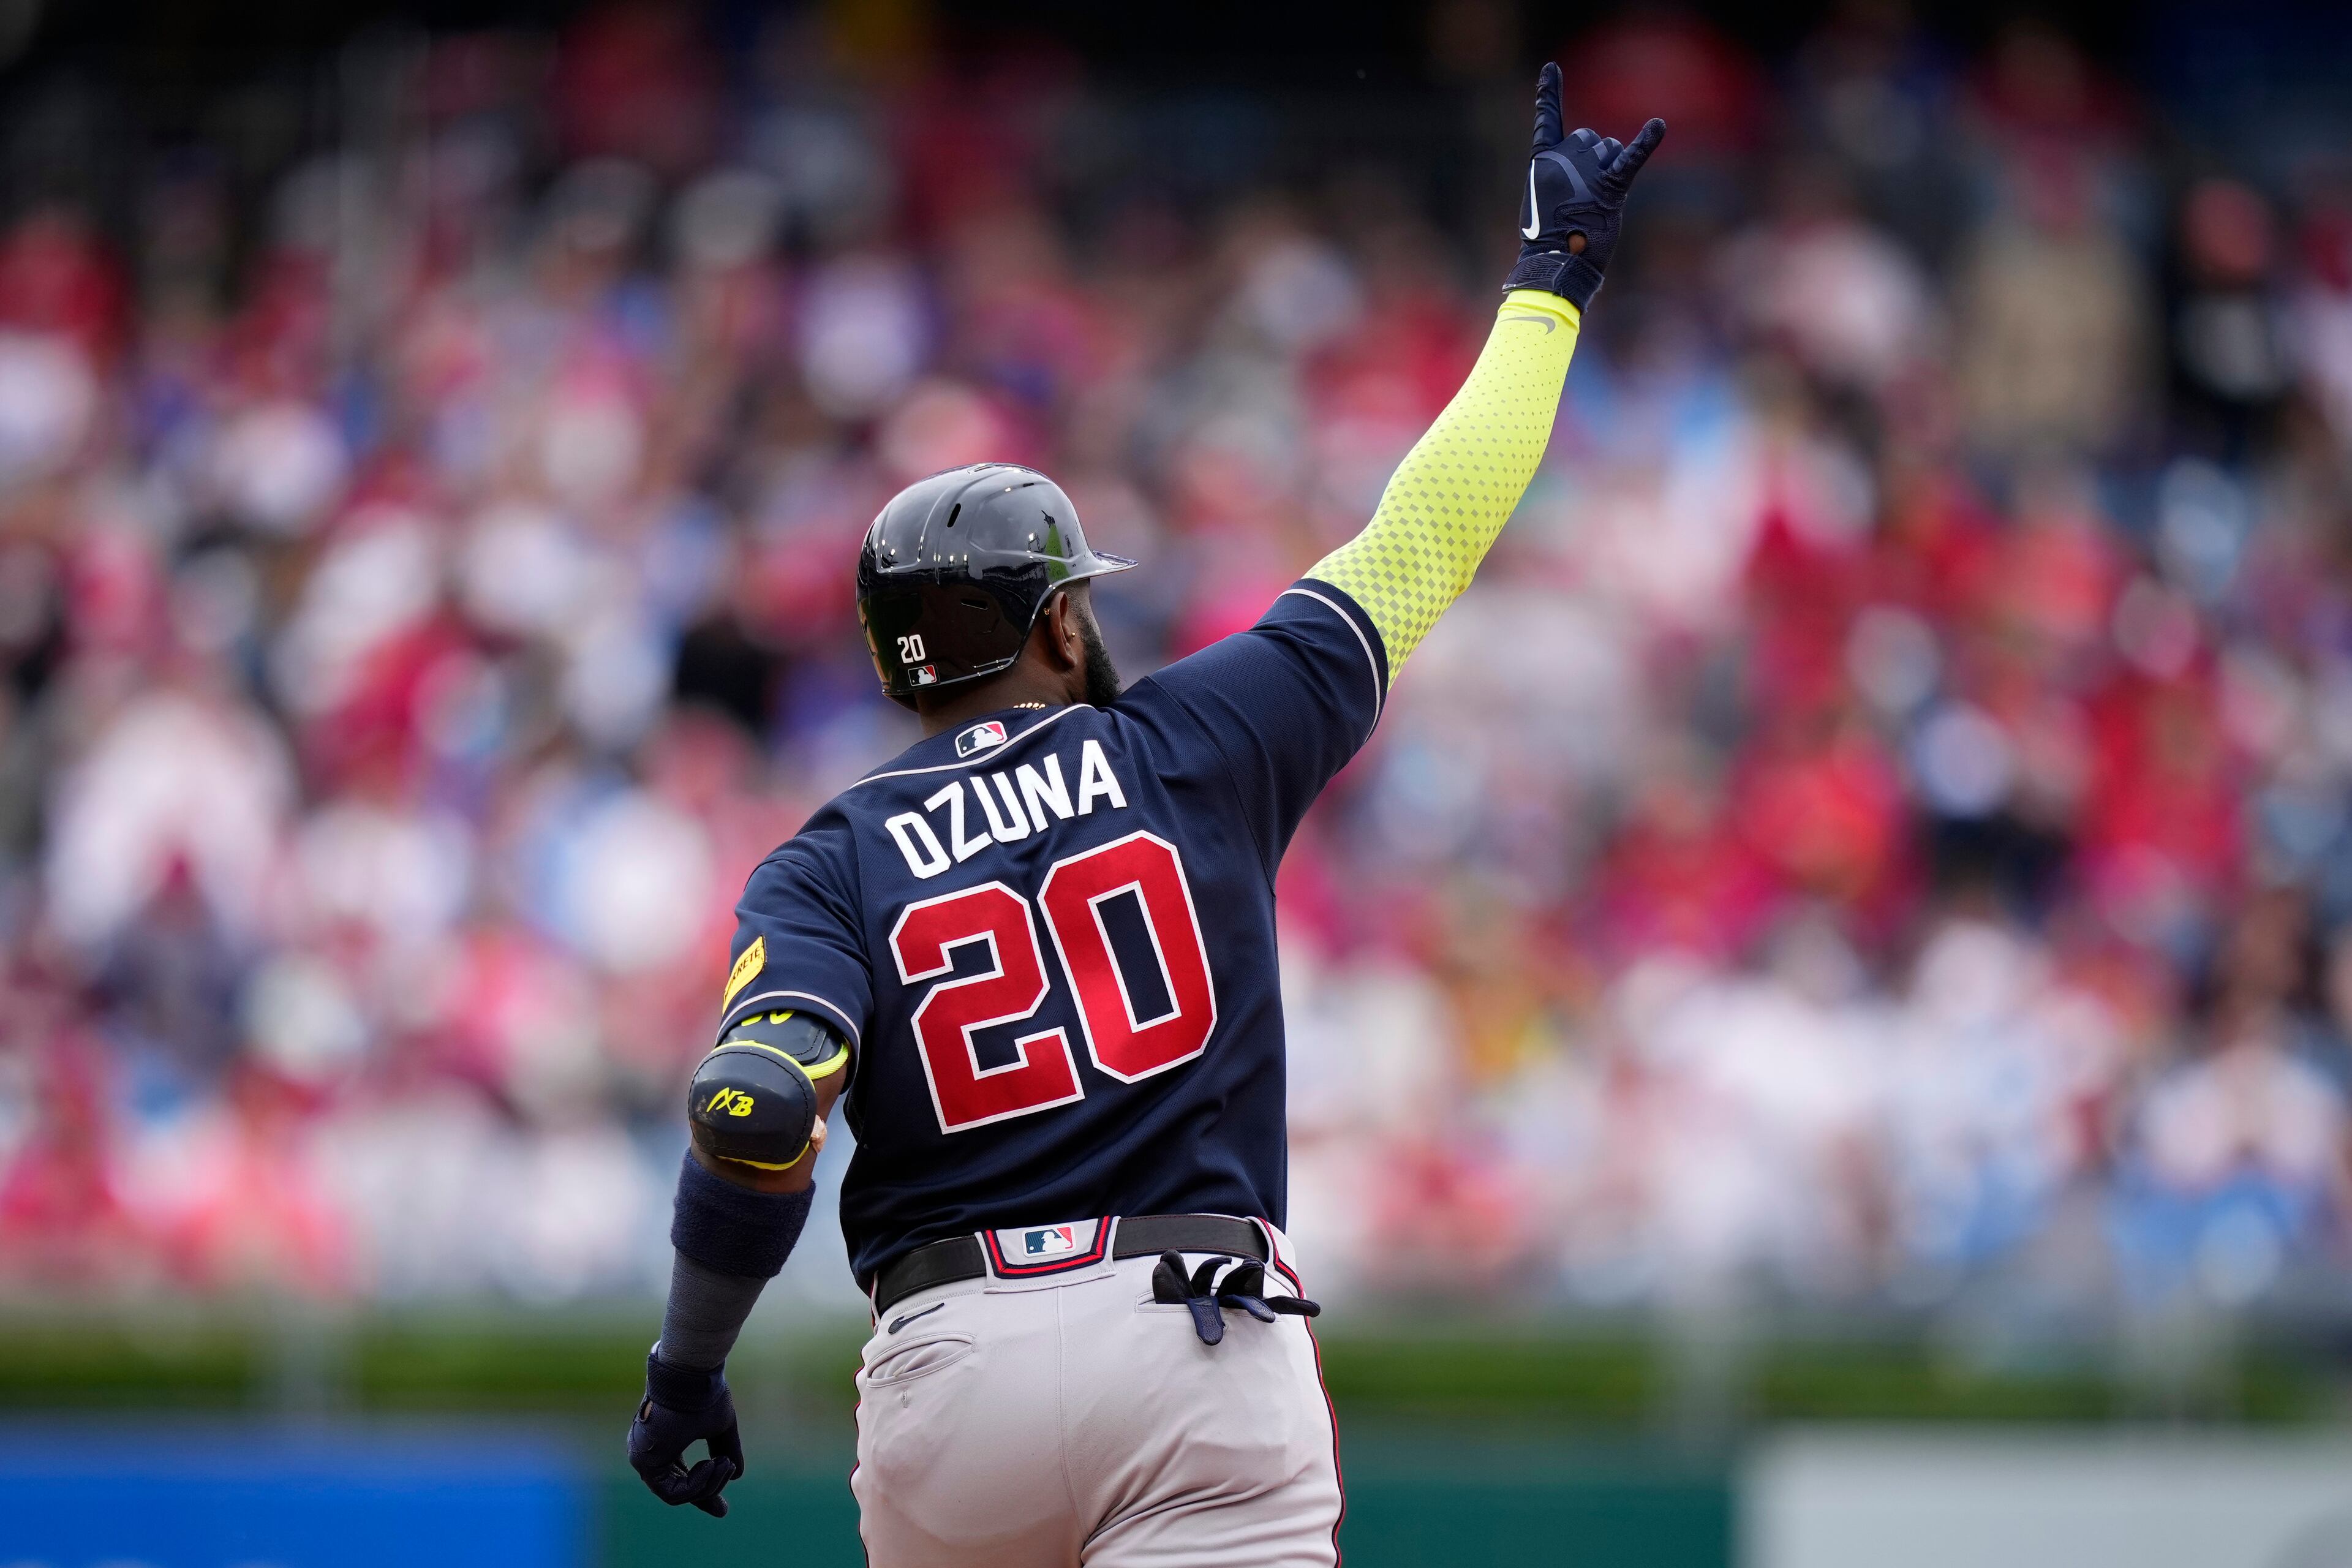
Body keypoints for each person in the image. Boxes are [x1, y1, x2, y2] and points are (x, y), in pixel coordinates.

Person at [627, 64, 1664, 1566]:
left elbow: (754, 1107)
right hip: (1192, 1338)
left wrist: (686, 1365)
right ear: (1055, 623)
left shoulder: (829, 857)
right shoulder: (1203, 729)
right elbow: (1429, 526)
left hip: (949, 1366)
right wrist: (1548, 283)